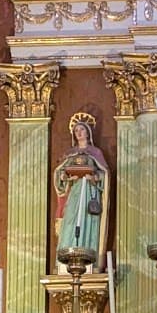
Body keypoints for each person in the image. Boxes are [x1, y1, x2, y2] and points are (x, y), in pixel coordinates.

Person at [53, 111, 109, 270]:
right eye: (76, 131)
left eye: (82, 130)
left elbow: (104, 174)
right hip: (75, 192)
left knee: (87, 222)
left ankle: (88, 257)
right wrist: (66, 177)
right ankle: (67, 259)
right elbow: (60, 173)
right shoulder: (69, 154)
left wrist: (95, 178)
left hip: (90, 192)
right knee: (70, 221)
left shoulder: (95, 153)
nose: (79, 133)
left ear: (88, 133)